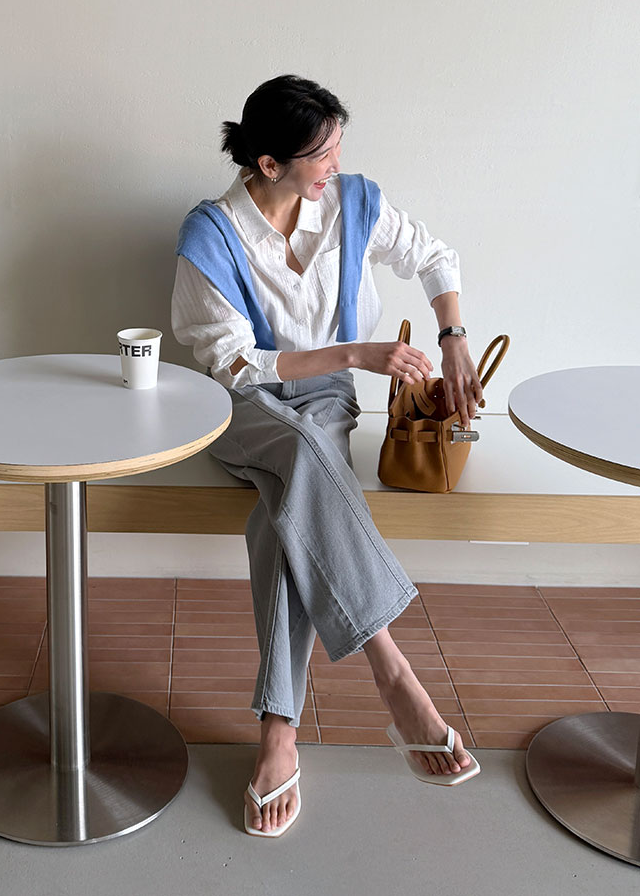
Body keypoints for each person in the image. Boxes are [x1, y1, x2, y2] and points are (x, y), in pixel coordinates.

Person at [171, 74, 484, 838]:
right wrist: (357, 352)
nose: (336, 165)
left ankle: (278, 732)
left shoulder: (354, 203)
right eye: (322, 153)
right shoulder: (210, 237)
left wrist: (452, 337)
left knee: (286, 510)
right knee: (306, 458)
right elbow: (234, 365)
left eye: (339, 145)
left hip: (324, 403)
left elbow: (433, 255)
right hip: (240, 405)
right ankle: (393, 671)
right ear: (269, 164)